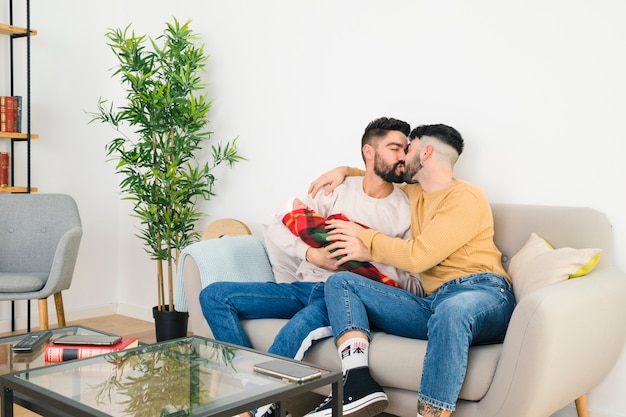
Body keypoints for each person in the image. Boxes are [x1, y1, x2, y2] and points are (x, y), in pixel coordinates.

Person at [198, 117, 423, 417]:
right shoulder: (338, 189)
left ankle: (251, 407)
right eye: (395, 148)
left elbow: (414, 283)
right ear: (369, 152)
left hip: (342, 299)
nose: (402, 156)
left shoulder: (406, 209)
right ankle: (245, 385)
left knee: (298, 327)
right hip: (304, 286)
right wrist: (310, 254)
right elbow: (279, 225)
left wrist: (369, 254)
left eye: (405, 150)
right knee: (214, 295)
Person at [304, 124, 516, 417]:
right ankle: (358, 381)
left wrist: (366, 240)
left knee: (452, 310)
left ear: (425, 152)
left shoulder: (466, 196)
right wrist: (344, 170)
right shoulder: (414, 192)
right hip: (434, 304)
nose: (403, 156)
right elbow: (378, 172)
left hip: (483, 293)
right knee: (341, 282)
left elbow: (419, 257)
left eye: (409, 148)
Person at [277, 197, 401, 287]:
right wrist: (309, 253)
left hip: (346, 287)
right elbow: (277, 224)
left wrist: (371, 251)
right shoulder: (330, 191)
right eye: (299, 204)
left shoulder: (403, 208)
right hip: (307, 284)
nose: (306, 206)